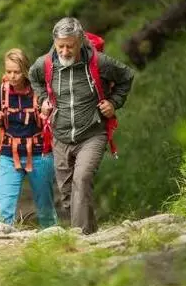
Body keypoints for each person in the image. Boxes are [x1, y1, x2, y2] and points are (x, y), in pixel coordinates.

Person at [28, 17, 135, 234]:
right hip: (60, 135)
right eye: (60, 46)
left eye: (70, 46)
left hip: (92, 133)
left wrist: (114, 102)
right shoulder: (45, 64)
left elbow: (126, 76)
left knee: (82, 179)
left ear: (81, 41)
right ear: (54, 42)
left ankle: (79, 237)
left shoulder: (99, 62)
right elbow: (33, 77)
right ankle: (90, 236)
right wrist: (43, 100)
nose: (65, 51)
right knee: (68, 194)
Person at [0, 48, 57, 228]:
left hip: (40, 154)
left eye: (17, 72)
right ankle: (2, 240)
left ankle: (52, 238)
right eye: (8, 71)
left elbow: (54, 116)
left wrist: (46, 113)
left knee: (45, 207)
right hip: (9, 155)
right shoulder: (0, 92)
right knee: (4, 209)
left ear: (25, 70)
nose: (12, 76)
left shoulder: (39, 91)